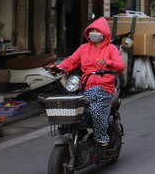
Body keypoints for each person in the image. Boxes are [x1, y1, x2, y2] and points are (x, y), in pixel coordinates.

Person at [52, 17, 124, 150]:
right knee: (74, 109)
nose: (94, 33)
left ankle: (101, 138)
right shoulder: (83, 48)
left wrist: (108, 63)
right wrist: (58, 67)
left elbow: (120, 66)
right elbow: (71, 61)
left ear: (104, 33)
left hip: (104, 88)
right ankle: (82, 133)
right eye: (92, 30)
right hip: (85, 87)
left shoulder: (111, 48)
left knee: (95, 108)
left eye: (97, 31)